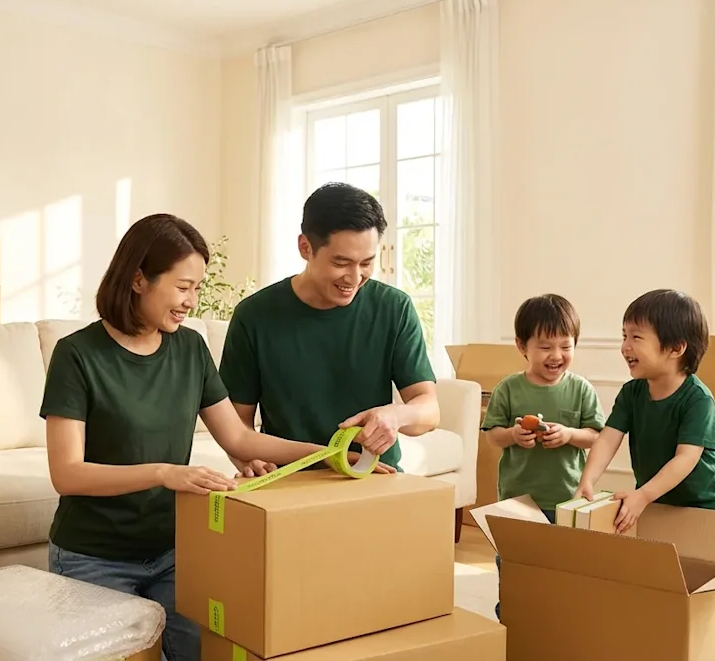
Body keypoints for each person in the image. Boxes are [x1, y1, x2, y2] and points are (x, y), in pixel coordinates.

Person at [40, 213, 371, 661]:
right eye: (182, 286)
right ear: (138, 279)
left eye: (197, 287)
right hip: (93, 558)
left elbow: (240, 439)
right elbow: (68, 474)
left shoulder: (190, 348)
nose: (192, 301)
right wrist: (165, 473)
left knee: (205, 650)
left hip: (178, 551)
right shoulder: (78, 355)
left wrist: (330, 454)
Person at [218, 182, 440, 476]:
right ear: (305, 247)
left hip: (373, 476)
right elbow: (236, 425)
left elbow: (429, 410)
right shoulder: (254, 316)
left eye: (367, 263)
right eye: (341, 262)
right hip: (289, 479)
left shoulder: (393, 308)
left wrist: (395, 415)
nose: (355, 277)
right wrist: (247, 461)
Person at [481, 294, 604, 619]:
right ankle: (514, 618)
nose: (557, 355)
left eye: (566, 346)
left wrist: (568, 435)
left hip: (566, 499)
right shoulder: (509, 388)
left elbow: (595, 436)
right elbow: (492, 433)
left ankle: (556, 621)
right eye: (546, 346)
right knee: (515, 564)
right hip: (517, 499)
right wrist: (512, 435)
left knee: (563, 566)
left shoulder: (581, 389)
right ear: (523, 346)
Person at [574, 288, 715, 534]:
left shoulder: (698, 400)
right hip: (655, 504)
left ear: (676, 348)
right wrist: (588, 479)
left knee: (699, 571)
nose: (625, 347)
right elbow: (608, 438)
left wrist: (643, 494)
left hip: (702, 509)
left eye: (636, 337)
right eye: (624, 336)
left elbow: (685, 458)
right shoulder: (631, 393)